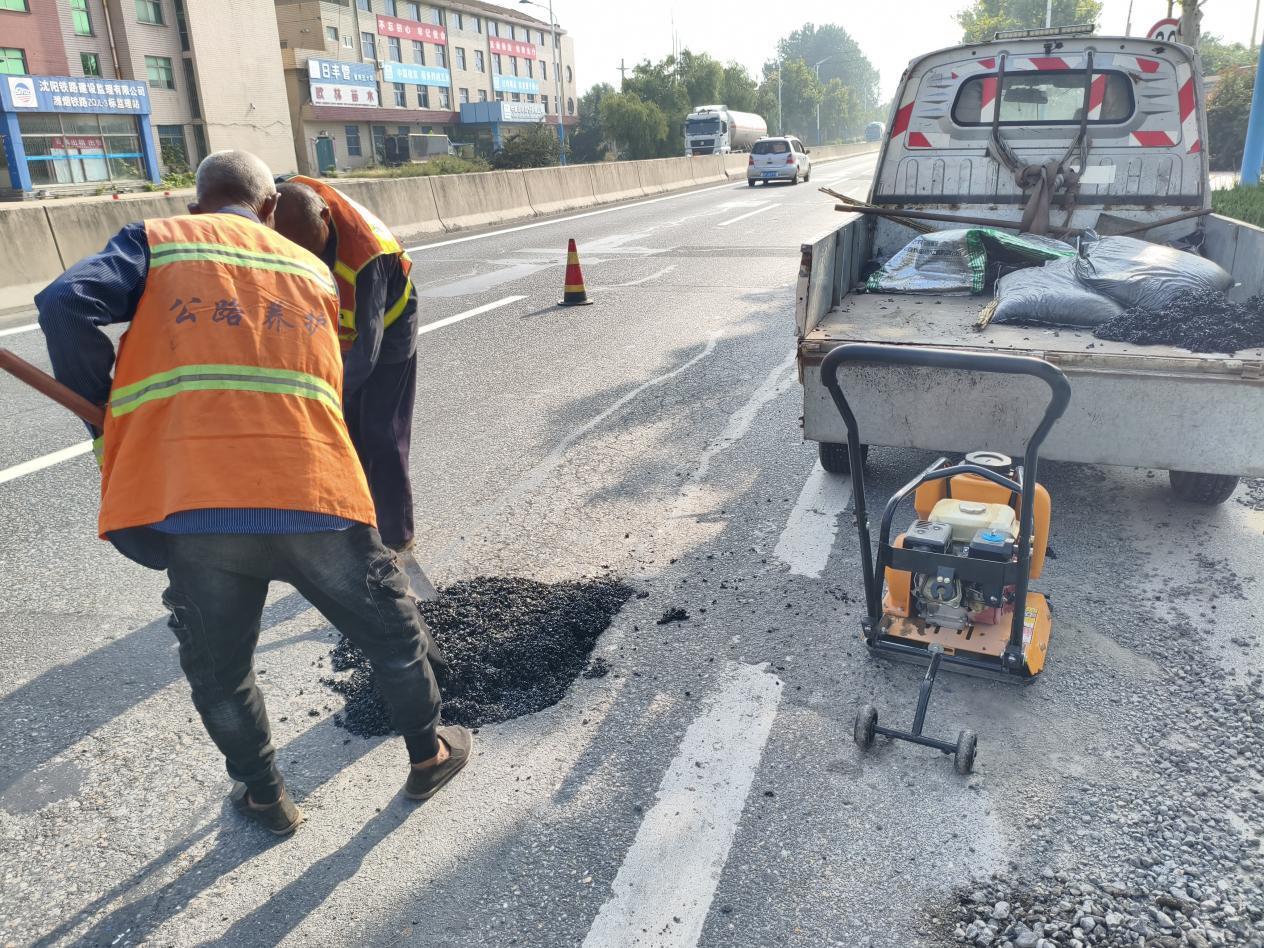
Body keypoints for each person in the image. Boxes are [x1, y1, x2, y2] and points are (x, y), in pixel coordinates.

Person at [34, 151, 470, 835]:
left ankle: (267, 797)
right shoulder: (311, 270)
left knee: (221, 670)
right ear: (270, 209)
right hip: (314, 491)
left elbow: (64, 305)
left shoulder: (159, 241)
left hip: (198, 501)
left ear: (195, 205)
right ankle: (428, 754)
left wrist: (103, 411)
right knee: (390, 633)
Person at [272, 178, 422, 567]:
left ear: (325, 217)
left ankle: (396, 538)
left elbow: (366, 354)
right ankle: (356, 525)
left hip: (388, 326)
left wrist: (323, 401)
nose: (305, 258)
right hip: (331, 325)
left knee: (381, 433)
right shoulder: (279, 204)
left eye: (310, 247)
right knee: (348, 436)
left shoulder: (365, 256)